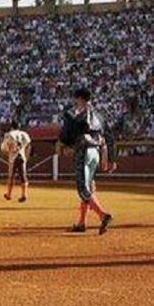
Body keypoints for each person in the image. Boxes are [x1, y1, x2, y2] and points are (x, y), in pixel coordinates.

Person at [57, 88, 116, 235]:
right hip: (96, 152)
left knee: (82, 189)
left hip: (83, 151)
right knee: (88, 187)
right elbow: (108, 137)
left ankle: (103, 215)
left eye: (75, 100)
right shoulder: (99, 115)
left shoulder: (74, 114)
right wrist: (110, 158)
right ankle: (82, 223)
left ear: (79, 99)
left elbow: (65, 135)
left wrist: (66, 146)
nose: (74, 102)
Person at [0, 122, 32, 202]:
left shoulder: (9, 134)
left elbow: (4, 148)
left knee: (11, 176)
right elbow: (28, 146)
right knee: (23, 176)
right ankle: (24, 195)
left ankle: (9, 194)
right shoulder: (24, 134)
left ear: (11, 127)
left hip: (13, 157)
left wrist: (8, 151)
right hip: (22, 156)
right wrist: (26, 157)